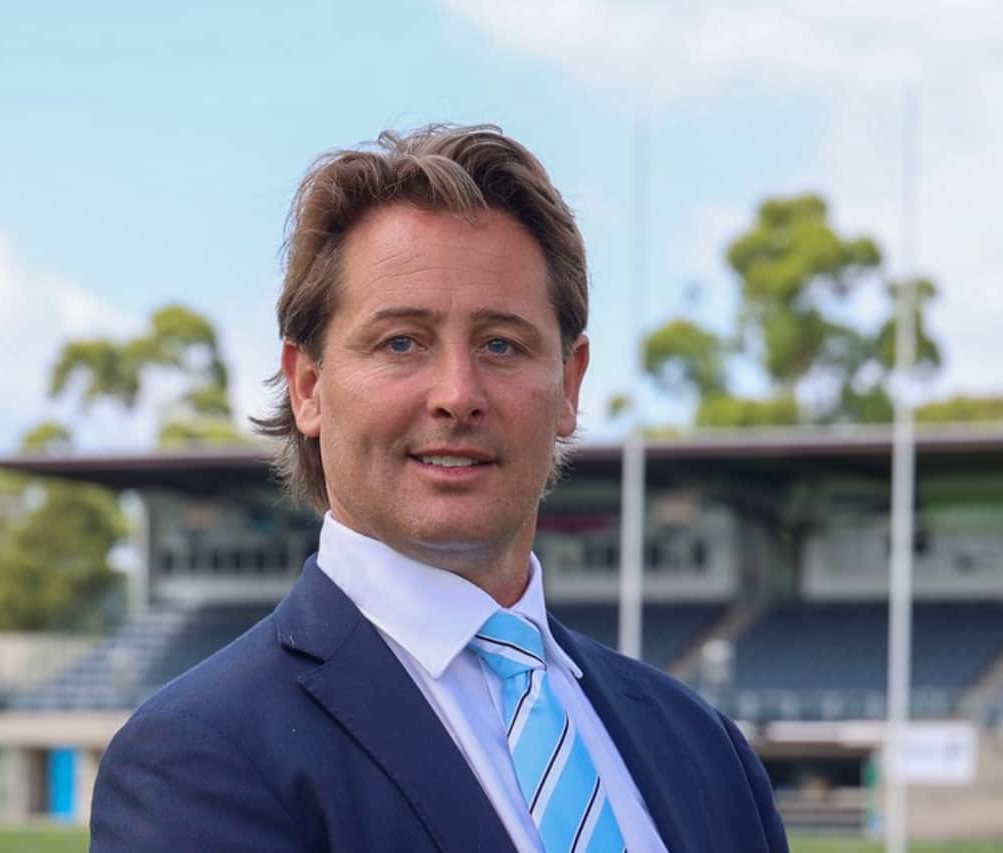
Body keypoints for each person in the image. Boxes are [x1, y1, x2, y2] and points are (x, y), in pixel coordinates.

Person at [89, 125, 788, 853]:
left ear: (570, 386)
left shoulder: (707, 751)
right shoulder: (198, 758)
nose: (458, 394)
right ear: (308, 387)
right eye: (401, 342)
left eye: (500, 344)